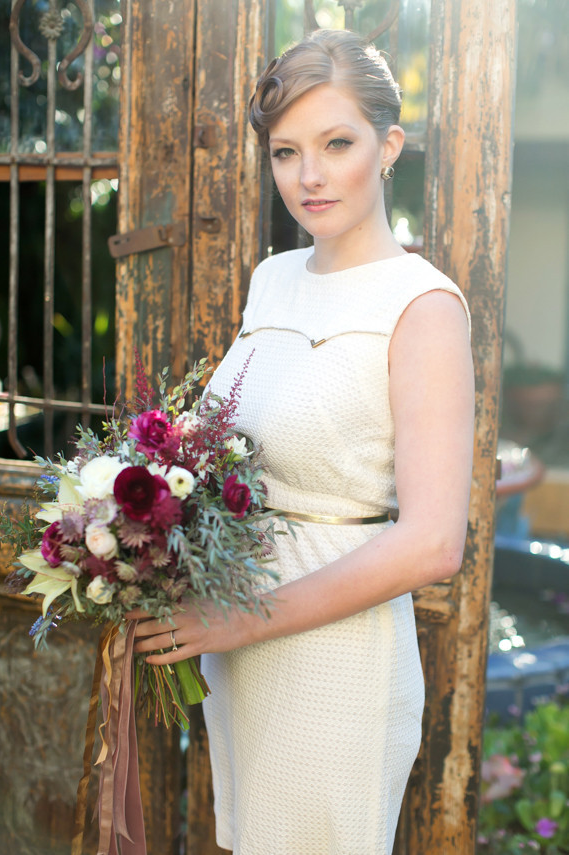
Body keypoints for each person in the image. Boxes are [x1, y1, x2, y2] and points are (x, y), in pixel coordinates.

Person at [129, 28, 474, 855]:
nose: (309, 176)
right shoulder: (272, 278)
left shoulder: (423, 306)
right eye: (286, 152)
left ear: (389, 147)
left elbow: (432, 544)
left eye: (337, 143)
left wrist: (234, 621)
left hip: (334, 665)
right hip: (239, 660)